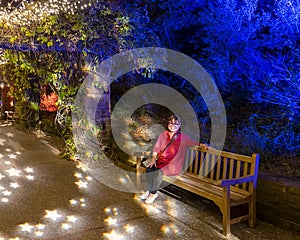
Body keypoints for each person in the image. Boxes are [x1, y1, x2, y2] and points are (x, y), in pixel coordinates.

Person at [140, 114, 208, 204]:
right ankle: (149, 190)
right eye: (171, 123)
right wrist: (153, 158)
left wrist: (202, 144)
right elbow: (157, 147)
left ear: (179, 125)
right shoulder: (163, 135)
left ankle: (153, 194)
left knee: (157, 172)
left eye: (176, 124)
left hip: (172, 165)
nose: (172, 125)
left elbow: (194, 143)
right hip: (161, 161)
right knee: (149, 168)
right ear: (168, 124)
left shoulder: (183, 137)